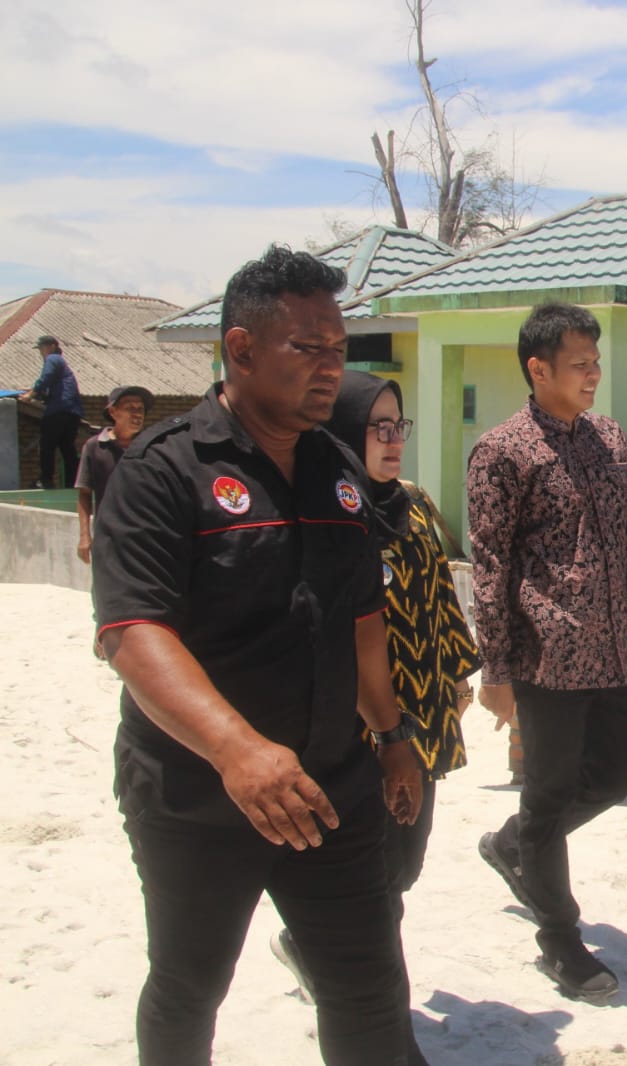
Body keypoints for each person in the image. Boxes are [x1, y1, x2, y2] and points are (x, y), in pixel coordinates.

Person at [90, 245, 425, 1066]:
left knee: (370, 992)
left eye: (338, 350)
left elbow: (362, 617)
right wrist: (238, 750)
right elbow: (134, 634)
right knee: (189, 985)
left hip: (329, 786)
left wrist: (391, 736)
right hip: (197, 797)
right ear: (240, 349)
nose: (328, 368)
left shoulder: (338, 472)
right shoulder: (162, 470)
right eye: (305, 347)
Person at [468, 301, 627, 1003]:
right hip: (544, 656)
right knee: (549, 797)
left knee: (611, 780)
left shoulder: (610, 441)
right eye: (580, 363)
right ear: (538, 367)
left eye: (595, 361)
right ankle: (559, 940)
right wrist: (494, 668)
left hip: (609, 652)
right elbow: (489, 564)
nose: (593, 374)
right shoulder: (502, 451)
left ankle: (512, 844)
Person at [270, 373, 481, 1035]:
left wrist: (459, 668)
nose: (393, 441)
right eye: (378, 428)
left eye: (399, 427)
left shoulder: (411, 504)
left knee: (406, 865)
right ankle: (366, 995)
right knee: (371, 872)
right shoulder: (322, 510)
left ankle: (314, 951)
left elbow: (440, 591)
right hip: (358, 724)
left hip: (421, 718)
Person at [74, 384, 153, 563]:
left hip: (145, 540)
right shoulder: (94, 447)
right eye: (129, 408)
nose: (137, 414)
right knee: (106, 590)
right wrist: (85, 536)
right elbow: (84, 494)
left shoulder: (151, 447)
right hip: (108, 539)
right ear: (113, 412)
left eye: (140, 409)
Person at [24, 334, 84, 488]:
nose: (41, 353)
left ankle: (46, 480)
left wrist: (31, 394)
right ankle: (73, 482)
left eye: (42, 349)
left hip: (59, 409)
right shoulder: (63, 366)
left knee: (47, 445)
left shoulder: (53, 359)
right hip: (72, 412)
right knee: (67, 447)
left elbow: (46, 377)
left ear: (51, 346)